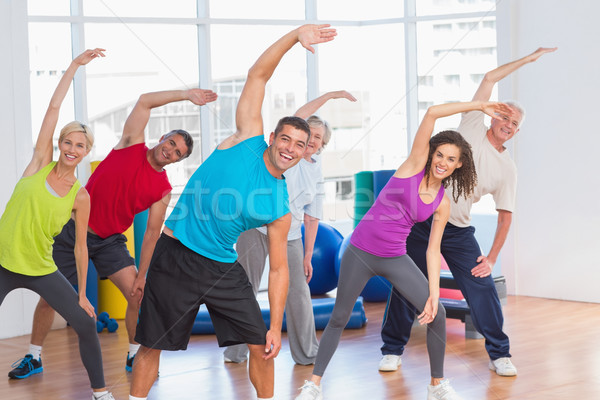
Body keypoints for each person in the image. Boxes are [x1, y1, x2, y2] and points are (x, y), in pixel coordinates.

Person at [129, 24, 337, 400]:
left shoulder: (279, 206)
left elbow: (278, 270)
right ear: (272, 138)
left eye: (300, 144)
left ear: (307, 151)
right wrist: (294, 37)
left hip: (221, 267)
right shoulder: (246, 139)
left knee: (261, 345)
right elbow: (258, 74)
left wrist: (276, 325)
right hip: (176, 255)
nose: (290, 148)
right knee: (151, 346)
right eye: (285, 138)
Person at [295, 100, 515, 400]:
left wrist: (434, 296)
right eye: (440, 154)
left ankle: (436, 385)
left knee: (436, 315)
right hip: (359, 252)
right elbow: (432, 113)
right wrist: (480, 106)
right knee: (339, 316)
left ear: (459, 164)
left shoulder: (442, 202)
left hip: (395, 257)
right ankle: (314, 385)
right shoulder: (412, 166)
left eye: (451, 159)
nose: (443, 162)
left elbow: (432, 250)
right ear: (432, 154)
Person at [8, 83, 217, 378]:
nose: (170, 151)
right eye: (171, 143)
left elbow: (151, 235)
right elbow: (145, 100)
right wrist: (186, 95)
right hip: (72, 233)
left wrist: (143, 275)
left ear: (178, 161)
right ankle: (34, 356)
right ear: (162, 138)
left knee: (136, 295)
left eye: (177, 153)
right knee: (49, 298)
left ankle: (135, 355)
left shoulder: (163, 190)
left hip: (110, 243)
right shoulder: (130, 144)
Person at [378, 47, 557, 378]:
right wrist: (528, 58)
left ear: (517, 131)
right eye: (505, 117)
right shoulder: (473, 124)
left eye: (515, 124)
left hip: (458, 230)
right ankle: (391, 350)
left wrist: (490, 257)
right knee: (405, 285)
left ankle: (499, 354)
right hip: (423, 222)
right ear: (494, 116)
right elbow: (489, 77)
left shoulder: (508, 168)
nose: (508, 125)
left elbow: (505, 216)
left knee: (482, 287)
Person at [0, 49, 116, 400]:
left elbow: (81, 247)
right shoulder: (39, 163)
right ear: (59, 144)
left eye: (79, 145)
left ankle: (101, 393)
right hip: (4, 261)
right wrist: (74, 67)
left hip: (40, 267)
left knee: (84, 324)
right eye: (67, 141)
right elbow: (52, 109)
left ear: (86, 152)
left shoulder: (80, 196)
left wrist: (81, 295)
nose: (72, 148)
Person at [223, 90, 357, 366]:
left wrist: (308, 256)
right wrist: (330, 96)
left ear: (321, 145)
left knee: (298, 292)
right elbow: (298, 116)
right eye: (310, 134)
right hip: (257, 228)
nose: (311, 141)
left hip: (291, 235)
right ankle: (235, 351)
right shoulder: (289, 154)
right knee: (244, 286)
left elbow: (312, 216)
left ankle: (308, 353)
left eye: (318, 138)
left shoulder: (316, 170)